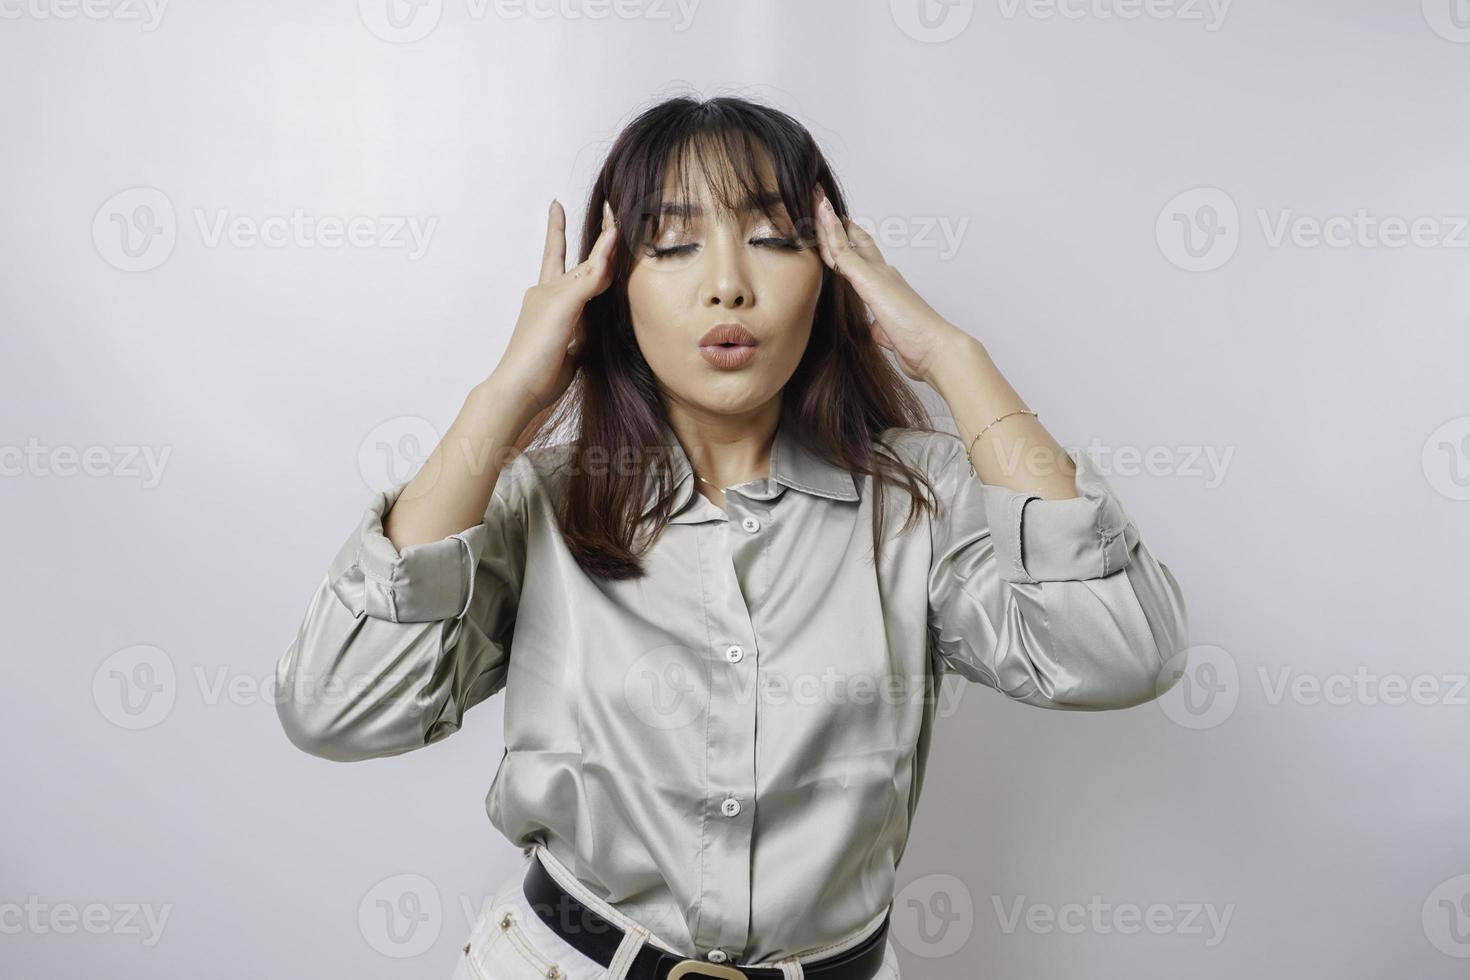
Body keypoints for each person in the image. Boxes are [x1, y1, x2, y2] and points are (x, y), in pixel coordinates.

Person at [274, 95, 1190, 980]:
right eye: (672, 244)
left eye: (771, 239)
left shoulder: (921, 498)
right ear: (612, 287)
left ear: (833, 272)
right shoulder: (545, 503)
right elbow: (337, 707)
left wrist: (954, 357)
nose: (727, 284)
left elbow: (1120, 653)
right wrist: (505, 397)